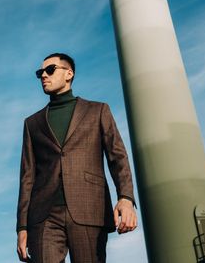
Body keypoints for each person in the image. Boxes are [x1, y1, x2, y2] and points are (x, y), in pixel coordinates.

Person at [16, 53, 138, 263]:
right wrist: (22, 227)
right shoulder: (32, 123)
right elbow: (27, 177)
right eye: (40, 73)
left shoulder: (98, 110)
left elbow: (118, 157)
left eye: (50, 70)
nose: (44, 75)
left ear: (69, 74)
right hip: (44, 217)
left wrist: (125, 198)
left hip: (89, 207)